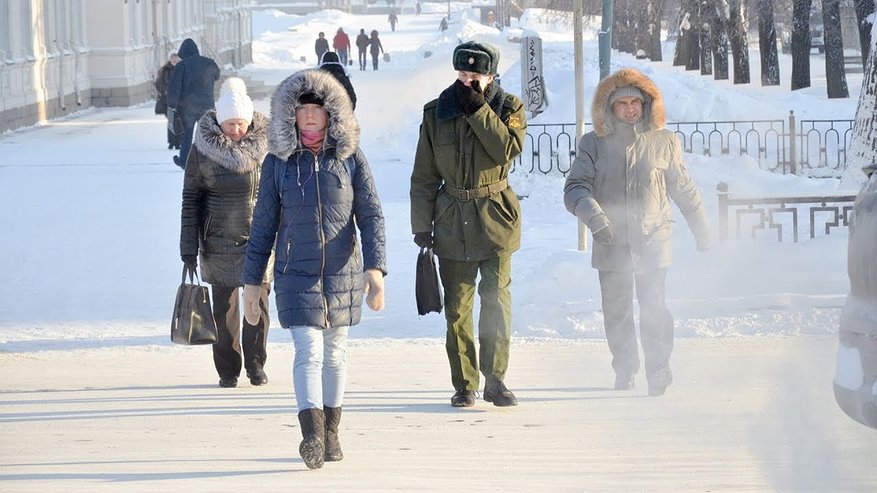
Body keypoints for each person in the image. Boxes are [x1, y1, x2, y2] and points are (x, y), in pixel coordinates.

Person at [241, 69, 387, 469]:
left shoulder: (351, 158)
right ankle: (312, 435)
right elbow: (263, 223)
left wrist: (375, 268)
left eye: (316, 110)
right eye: (302, 109)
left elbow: (371, 215)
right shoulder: (278, 162)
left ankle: (332, 431)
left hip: (341, 270)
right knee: (308, 352)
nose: (309, 116)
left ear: (331, 116)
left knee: (335, 353)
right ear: (291, 114)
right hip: (295, 271)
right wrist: (252, 281)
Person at [562, 67, 711, 397]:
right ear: (609, 109)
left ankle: (658, 367)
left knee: (655, 307)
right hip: (610, 241)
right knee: (617, 312)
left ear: (647, 105)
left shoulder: (664, 142)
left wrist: (702, 229)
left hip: (653, 239)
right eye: (622, 104)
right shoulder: (593, 144)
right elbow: (574, 189)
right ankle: (625, 367)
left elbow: (684, 189)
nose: (630, 109)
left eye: (636, 102)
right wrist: (596, 218)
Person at [409, 41, 526, 408]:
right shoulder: (436, 112)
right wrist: (421, 225)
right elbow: (424, 175)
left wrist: (479, 111)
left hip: (496, 218)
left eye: (476, 75)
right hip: (451, 221)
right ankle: (464, 384)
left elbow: (507, 149)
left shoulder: (509, 108)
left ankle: (495, 380)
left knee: (495, 302)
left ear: (491, 75)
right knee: (458, 307)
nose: (468, 81)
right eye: (463, 74)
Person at [180, 77, 272, 389]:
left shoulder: (267, 148)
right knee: (224, 309)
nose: (235, 130)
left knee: (256, 305)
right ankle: (228, 369)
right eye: (229, 124)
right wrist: (188, 247)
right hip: (216, 239)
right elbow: (190, 199)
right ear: (219, 122)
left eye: (240, 124)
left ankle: (256, 363)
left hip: (257, 238)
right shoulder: (202, 150)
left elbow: (278, 195)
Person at [166, 38, 220, 169]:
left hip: (187, 108)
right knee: (206, 135)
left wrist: (171, 105)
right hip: (207, 106)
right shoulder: (210, 63)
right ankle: (209, 161)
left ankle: (184, 161)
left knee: (186, 135)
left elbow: (174, 87)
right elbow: (217, 75)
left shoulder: (181, 66)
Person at [154, 50, 181, 150]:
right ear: (170, 58)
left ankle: (178, 142)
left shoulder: (183, 68)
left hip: (180, 100)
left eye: (176, 57)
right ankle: (171, 142)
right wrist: (165, 90)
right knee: (171, 121)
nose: (174, 59)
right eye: (172, 57)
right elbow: (158, 83)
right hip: (168, 100)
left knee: (179, 121)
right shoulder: (164, 70)